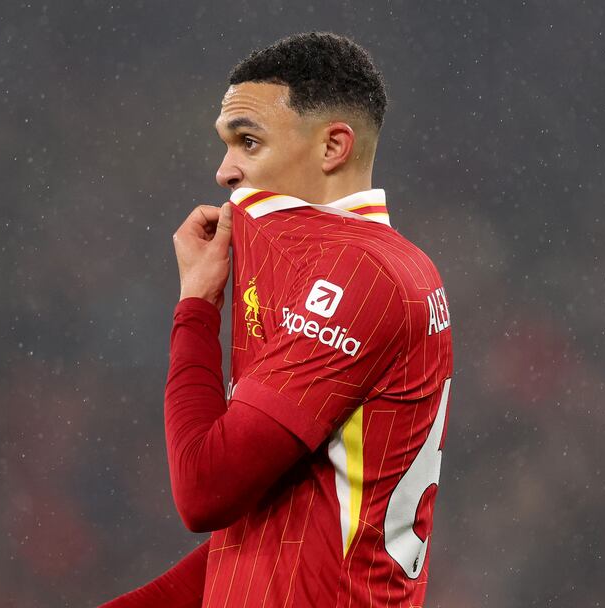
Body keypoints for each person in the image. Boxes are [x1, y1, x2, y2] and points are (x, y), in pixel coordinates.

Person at [100, 32, 454, 607]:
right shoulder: (368, 266)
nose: (225, 171)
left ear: (332, 146)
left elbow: (205, 490)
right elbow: (263, 537)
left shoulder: (357, 275)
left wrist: (196, 308)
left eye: (248, 142)